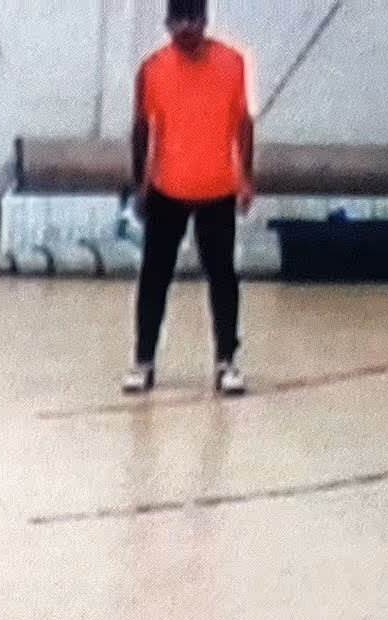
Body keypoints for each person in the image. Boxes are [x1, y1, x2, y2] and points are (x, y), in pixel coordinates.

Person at [123, 0, 256, 398]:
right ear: (167, 24)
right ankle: (143, 361)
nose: (184, 29)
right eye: (176, 21)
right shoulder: (152, 69)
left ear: (204, 21)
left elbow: (243, 123)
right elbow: (141, 128)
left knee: (222, 276)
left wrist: (245, 177)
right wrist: (139, 182)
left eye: (192, 20)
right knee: (154, 277)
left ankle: (226, 362)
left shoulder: (232, 63)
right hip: (167, 188)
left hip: (217, 188)